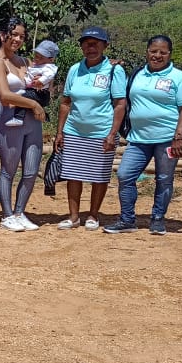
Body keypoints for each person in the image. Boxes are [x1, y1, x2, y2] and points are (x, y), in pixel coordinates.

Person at [105, 35, 182, 235]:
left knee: (164, 178)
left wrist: (179, 136)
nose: (157, 55)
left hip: (168, 139)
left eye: (163, 52)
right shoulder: (137, 74)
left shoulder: (180, 78)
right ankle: (127, 220)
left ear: (170, 54)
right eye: (154, 51)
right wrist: (112, 65)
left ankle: (157, 219)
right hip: (138, 138)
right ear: (147, 52)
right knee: (125, 175)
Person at [56, 26, 127, 230]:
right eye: (87, 44)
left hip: (102, 132)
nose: (91, 48)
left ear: (105, 45)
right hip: (74, 131)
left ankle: (93, 215)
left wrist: (112, 134)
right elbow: (65, 102)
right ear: (81, 47)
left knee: (99, 175)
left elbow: (120, 103)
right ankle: (73, 216)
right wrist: (60, 132)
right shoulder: (74, 69)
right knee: (73, 174)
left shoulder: (114, 70)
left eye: (96, 44)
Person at [0, 17, 47, 232]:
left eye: (22, 36)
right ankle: (6, 214)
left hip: (32, 121)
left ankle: (20, 212)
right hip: (11, 120)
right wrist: (33, 103)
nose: (18, 39)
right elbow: (4, 95)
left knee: (31, 170)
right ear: (3, 35)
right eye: (14, 35)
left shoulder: (23, 61)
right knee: (8, 170)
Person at [10, 40, 59, 125]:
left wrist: (41, 81)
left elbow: (49, 75)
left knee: (21, 97)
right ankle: (44, 115)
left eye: (40, 57)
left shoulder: (49, 67)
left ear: (50, 59)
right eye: (36, 56)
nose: (36, 58)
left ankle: (18, 118)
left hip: (40, 93)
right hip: (35, 92)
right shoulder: (37, 65)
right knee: (24, 99)